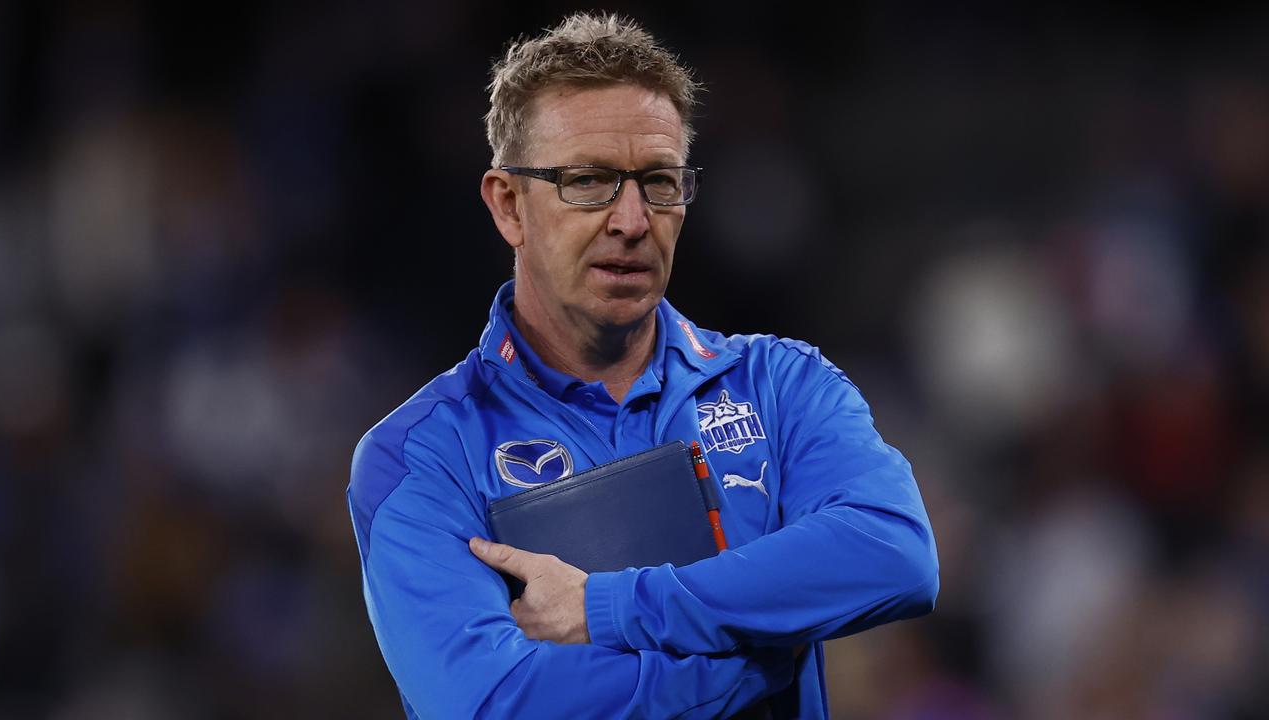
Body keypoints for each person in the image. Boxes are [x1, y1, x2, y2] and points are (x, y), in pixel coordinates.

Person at [347, 12, 938, 719]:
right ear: (509, 206)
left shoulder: (781, 385)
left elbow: (894, 553)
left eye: (659, 182)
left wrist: (610, 607)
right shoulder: (422, 455)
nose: (632, 220)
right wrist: (751, 664)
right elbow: (492, 702)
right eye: (589, 181)